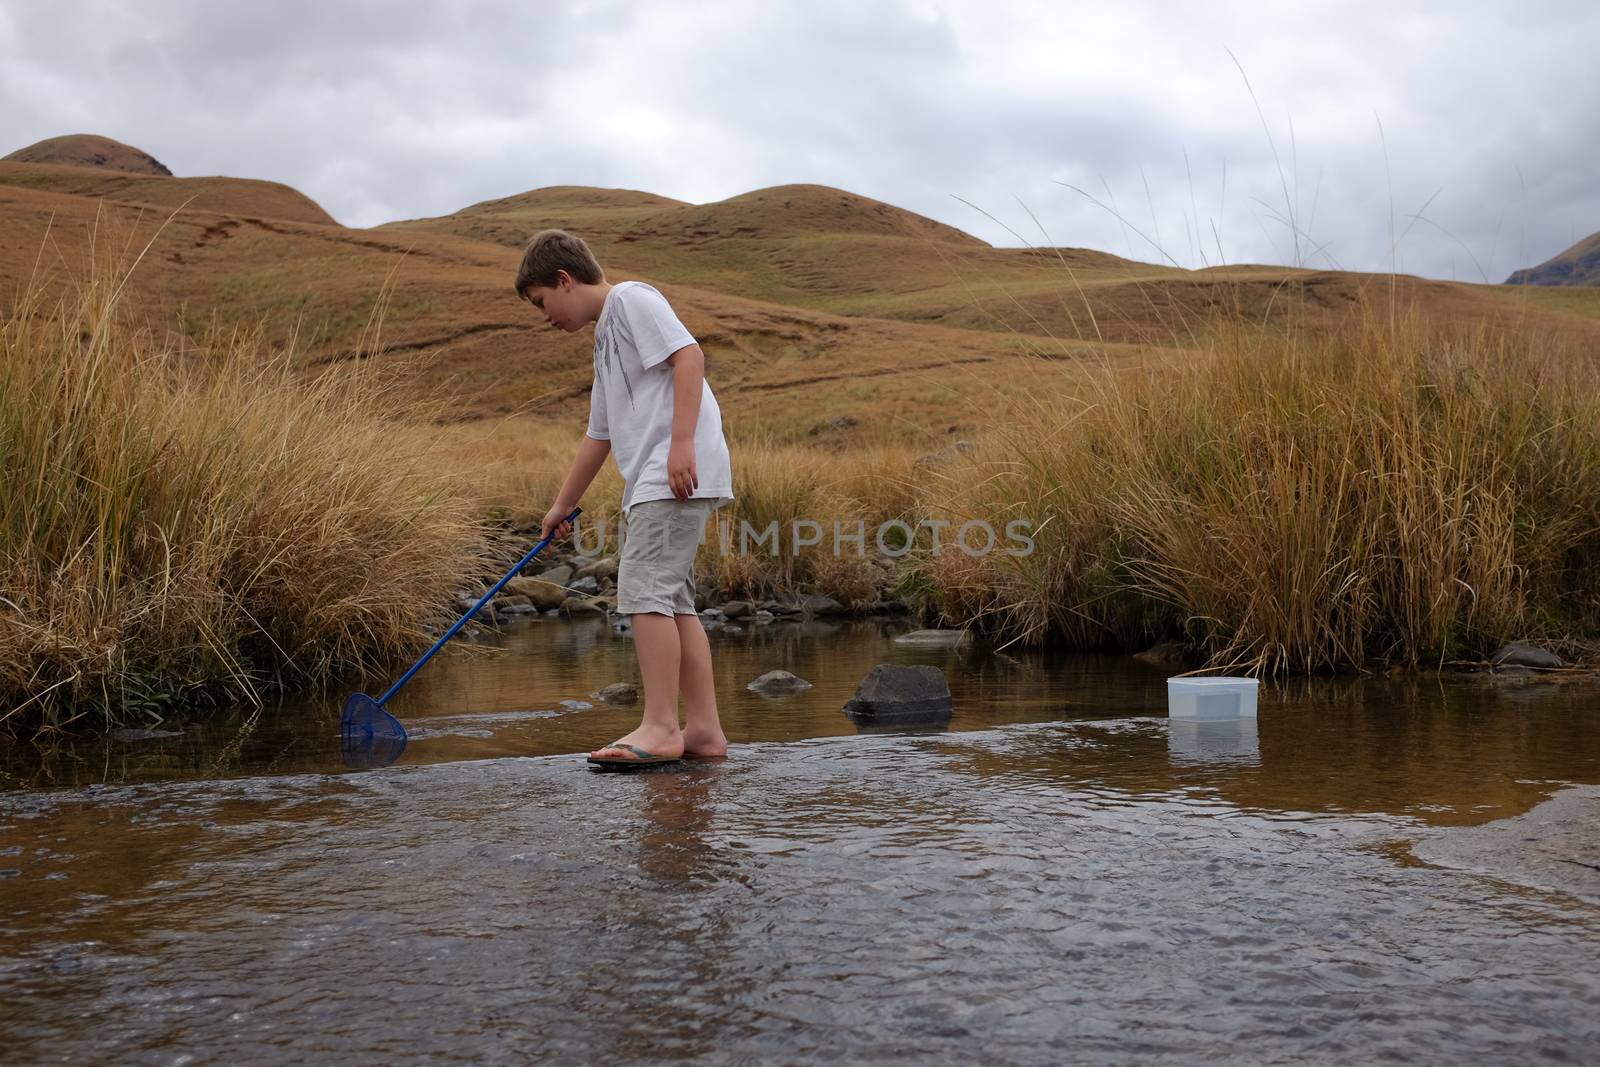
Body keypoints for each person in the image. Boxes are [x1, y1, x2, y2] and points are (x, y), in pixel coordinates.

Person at [517, 229, 734, 768]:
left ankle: (661, 726)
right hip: (653, 482)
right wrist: (561, 505)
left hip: (673, 474)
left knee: (641, 592)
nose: (544, 317)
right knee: (672, 602)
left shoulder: (632, 298)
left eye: (543, 302)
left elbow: (690, 356)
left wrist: (681, 444)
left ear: (565, 280)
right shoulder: (604, 339)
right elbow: (600, 434)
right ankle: (703, 729)